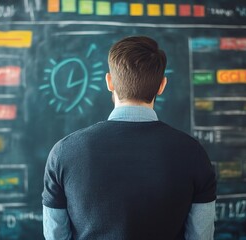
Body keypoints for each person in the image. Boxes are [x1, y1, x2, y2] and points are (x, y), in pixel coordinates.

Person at [42, 36, 217, 240]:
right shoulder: (193, 154)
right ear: (162, 85)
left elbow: (55, 236)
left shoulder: (64, 152)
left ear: (109, 82)